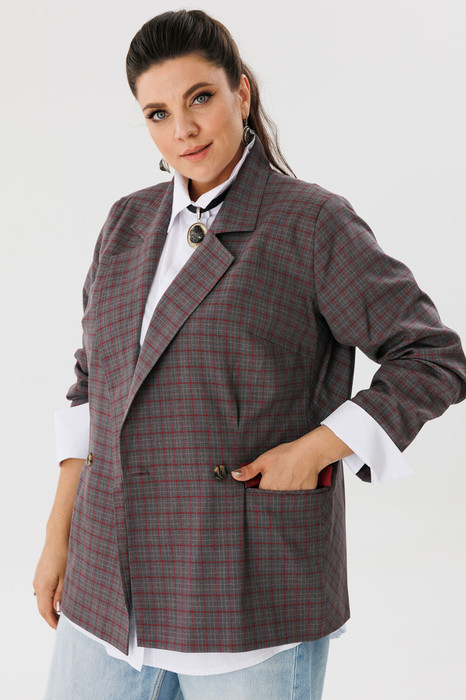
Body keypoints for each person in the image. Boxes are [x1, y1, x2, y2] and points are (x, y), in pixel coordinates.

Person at [33, 9, 466, 700]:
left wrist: (319, 448)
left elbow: (431, 355)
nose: (183, 129)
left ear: (242, 92)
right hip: (106, 591)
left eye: (200, 97)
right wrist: (58, 537)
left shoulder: (311, 222)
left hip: (246, 591)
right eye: (158, 113)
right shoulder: (126, 223)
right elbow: (93, 387)